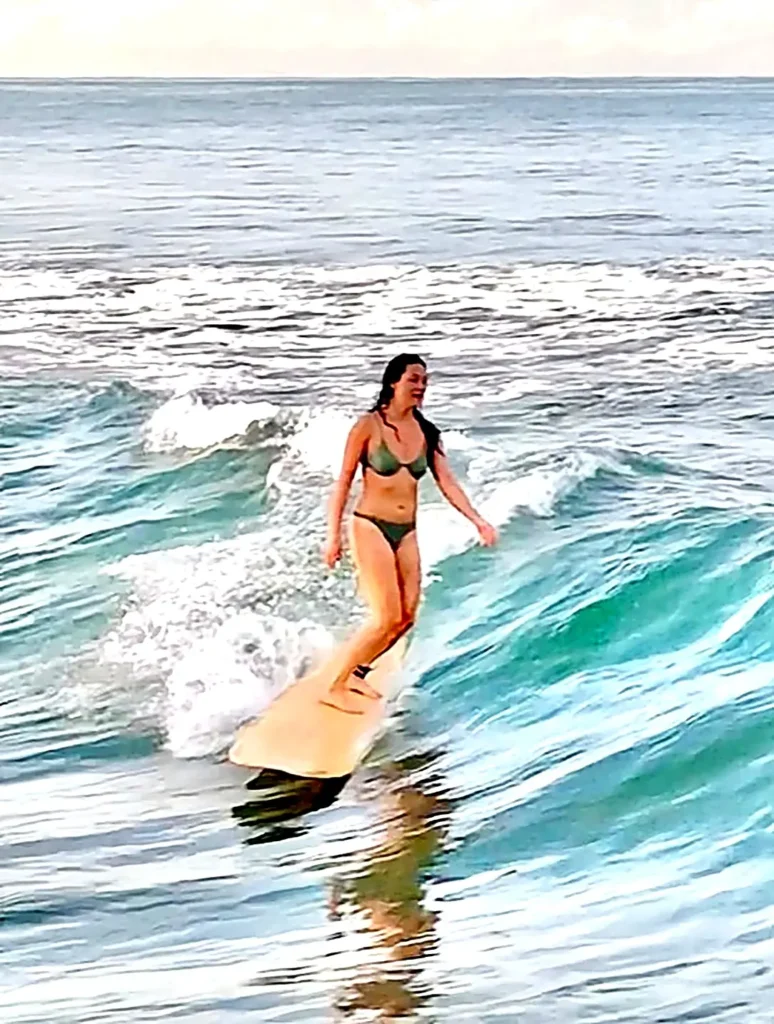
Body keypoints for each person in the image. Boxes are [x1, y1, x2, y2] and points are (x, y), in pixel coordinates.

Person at [321, 353, 497, 714]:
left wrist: (477, 520)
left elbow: (447, 481)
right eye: (414, 380)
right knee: (386, 616)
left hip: (407, 532)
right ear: (393, 383)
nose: (420, 387)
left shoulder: (428, 432)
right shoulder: (368, 426)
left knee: (405, 618)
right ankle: (334, 686)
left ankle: (358, 672)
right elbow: (343, 483)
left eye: (424, 381)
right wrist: (333, 536)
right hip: (370, 525)